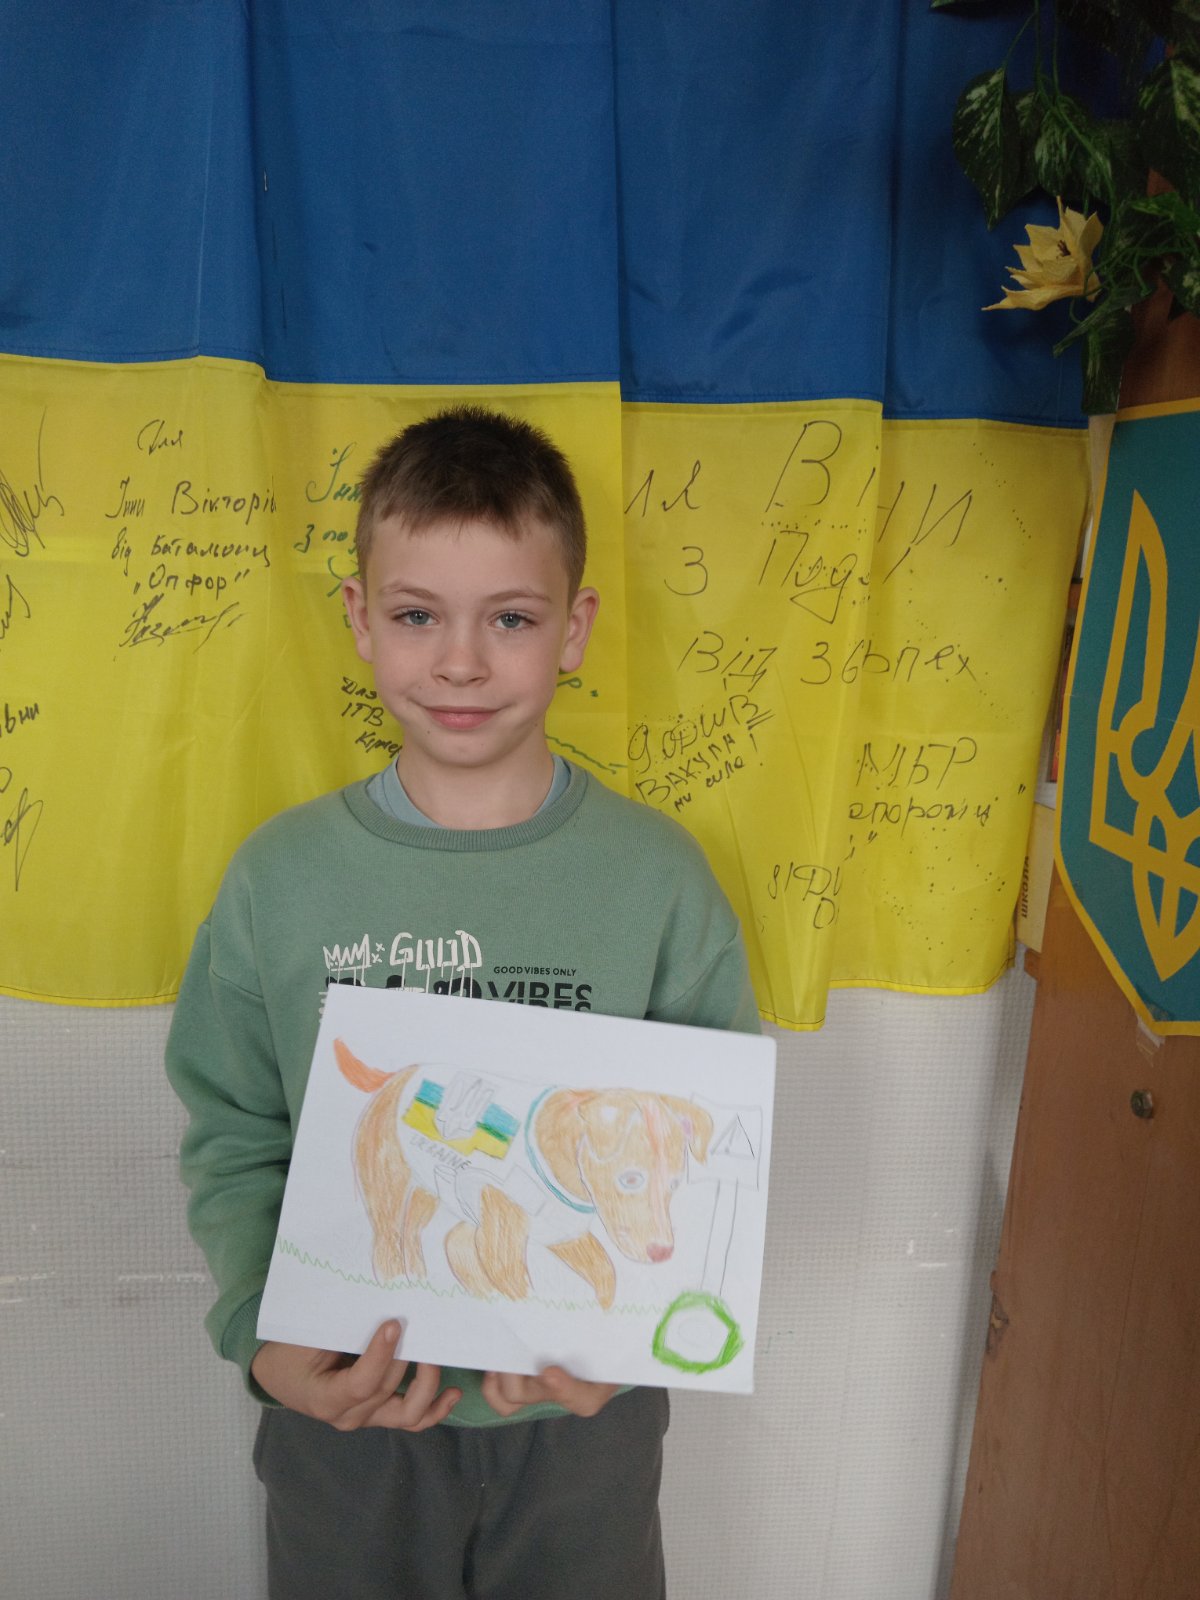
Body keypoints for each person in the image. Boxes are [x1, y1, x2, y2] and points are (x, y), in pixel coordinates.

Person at [166, 404, 760, 1600]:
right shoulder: (280, 878)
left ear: (574, 629)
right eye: (417, 615)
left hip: (581, 1426)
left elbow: (712, 1153)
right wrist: (262, 1337)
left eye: (512, 619)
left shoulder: (657, 880)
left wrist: (635, 1338)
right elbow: (235, 1130)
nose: (461, 662)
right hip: (349, 1414)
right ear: (359, 618)